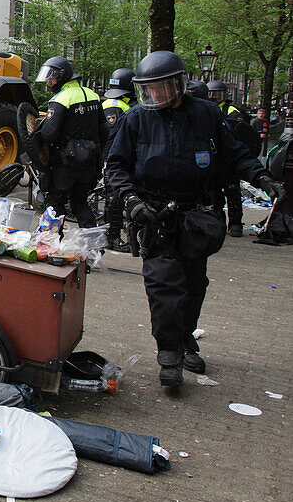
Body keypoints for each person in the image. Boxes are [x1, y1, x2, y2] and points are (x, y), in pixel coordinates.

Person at [106, 52, 284, 388]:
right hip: (154, 215)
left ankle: (186, 337)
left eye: (161, 88)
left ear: (177, 84)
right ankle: (168, 354)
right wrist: (131, 200)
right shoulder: (136, 119)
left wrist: (264, 180)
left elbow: (236, 154)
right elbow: (115, 166)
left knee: (193, 284)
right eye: (150, 89)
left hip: (196, 215)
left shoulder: (206, 115)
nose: (156, 95)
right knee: (163, 286)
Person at [35, 56, 108, 227]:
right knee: (80, 202)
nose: (49, 83)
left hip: (65, 165)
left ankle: (52, 245)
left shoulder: (61, 99)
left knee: (55, 204)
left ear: (62, 76)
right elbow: (104, 130)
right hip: (89, 163)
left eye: (51, 79)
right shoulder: (93, 95)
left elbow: (48, 134)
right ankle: (92, 246)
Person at [207, 80, 249, 236]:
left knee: (232, 192)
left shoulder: (231, 110)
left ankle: (236, 224)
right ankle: (219, 223)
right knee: (215, 194)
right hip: (215, 160)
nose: (213, 96)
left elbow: (240, 133)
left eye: (216, 93)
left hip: (228, 159)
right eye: (211, 93)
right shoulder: (207, 109)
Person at [101, 67, 136, 251]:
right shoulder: (118, 106)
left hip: (112, 157)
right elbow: (113, 137)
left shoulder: (110, 103)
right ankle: (112, 237)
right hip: (115, 158)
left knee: (113, 198)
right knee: (115, 199)